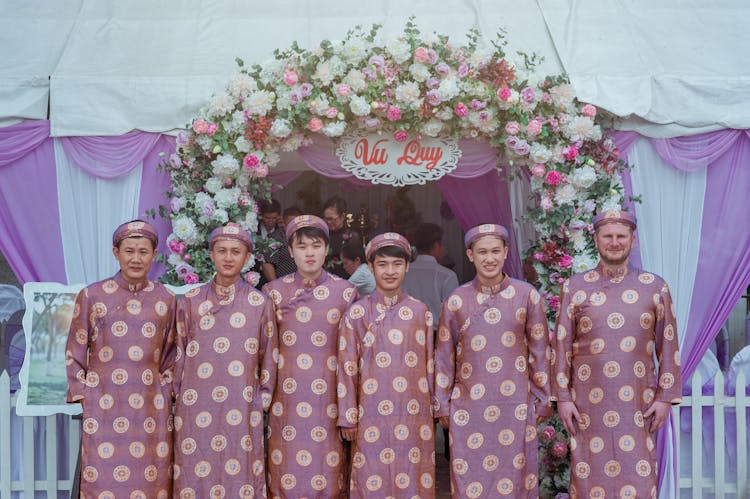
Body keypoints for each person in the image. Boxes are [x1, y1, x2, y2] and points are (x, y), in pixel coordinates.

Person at [552, 209, 682, 498]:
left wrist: (664, 398)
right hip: (586, 404)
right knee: (588, 476)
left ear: (632, 240)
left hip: (638, 404)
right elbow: (561, 346)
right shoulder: (574, 287)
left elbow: (669, 346)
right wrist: (562, 397)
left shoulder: (655, 287)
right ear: (596, 239)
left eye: (621, 236)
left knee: (637, 474)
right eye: (607, 236)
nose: (614, 242)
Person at [434, 223, 551, 498]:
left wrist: (544, 397)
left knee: (516, 480)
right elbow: (443, 357)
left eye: (496, 251)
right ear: (470, 255)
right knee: (470, 480)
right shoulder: (456, 300)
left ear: (506, 252)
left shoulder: (527, 296)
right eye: (482, 251)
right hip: (468, 409)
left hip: (515, 407)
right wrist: (442, 403)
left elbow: (540, 350)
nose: (490, 258)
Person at [65, 220, 176, 499]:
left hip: (152, 408)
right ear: (116, 253)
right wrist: (84, 395)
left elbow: (175, 353)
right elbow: (75, 349)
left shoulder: (167, 299)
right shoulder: (92, 295)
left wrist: (165, 391)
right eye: (129, 251)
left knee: (152, 479)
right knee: (102, 481)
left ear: (154, 255)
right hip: (104, 405)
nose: (136, 259)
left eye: (143, 251)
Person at [173, 223, 278, 498]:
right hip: (195, 405)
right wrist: (177, 397)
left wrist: (261, 400)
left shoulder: (259, 303)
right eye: (222, 251)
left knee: (240, 471)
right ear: (211, 255)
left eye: (236, 251)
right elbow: (178, 352)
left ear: (247, 258)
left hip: (242, 405)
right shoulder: (191, 301)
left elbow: (269, 355)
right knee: (195, 471)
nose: (228, 257)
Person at [263, 214, 357, 498]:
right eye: (302, 247)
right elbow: (265, 352)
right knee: (285, 473)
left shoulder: (346, 293)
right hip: (286, 402)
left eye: (316, 245)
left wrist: (348, 408)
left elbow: (351, 356)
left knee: (327, 473)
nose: (310, 253)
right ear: (290, 251)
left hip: (328, 401)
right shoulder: (273, 293)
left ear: (326, 249)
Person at [338, 232, 436, 498]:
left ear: (406, 266)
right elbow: (346, 368)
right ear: (370, 267)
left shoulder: (420, 312)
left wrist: (435, 410)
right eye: (382, 264)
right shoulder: (356, 313)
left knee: (413, 479)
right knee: (371, 476)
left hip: (413, 414)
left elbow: (430, 366)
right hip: (370, 415)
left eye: (397, 264)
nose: (390, 271)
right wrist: (348, 416)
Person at [402, 222, 459, 321]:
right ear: (436, 245)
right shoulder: (447, 275)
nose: (444, 248)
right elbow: (453, 312)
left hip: (406, 332)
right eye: (443, 244)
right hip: (437, 333)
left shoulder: (402, 273)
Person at [322, 196, 355, 278]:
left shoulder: (351, 236)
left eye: (331, 219)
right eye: (326, 219)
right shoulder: (323, 234)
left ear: (343, 216)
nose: (328, 222)